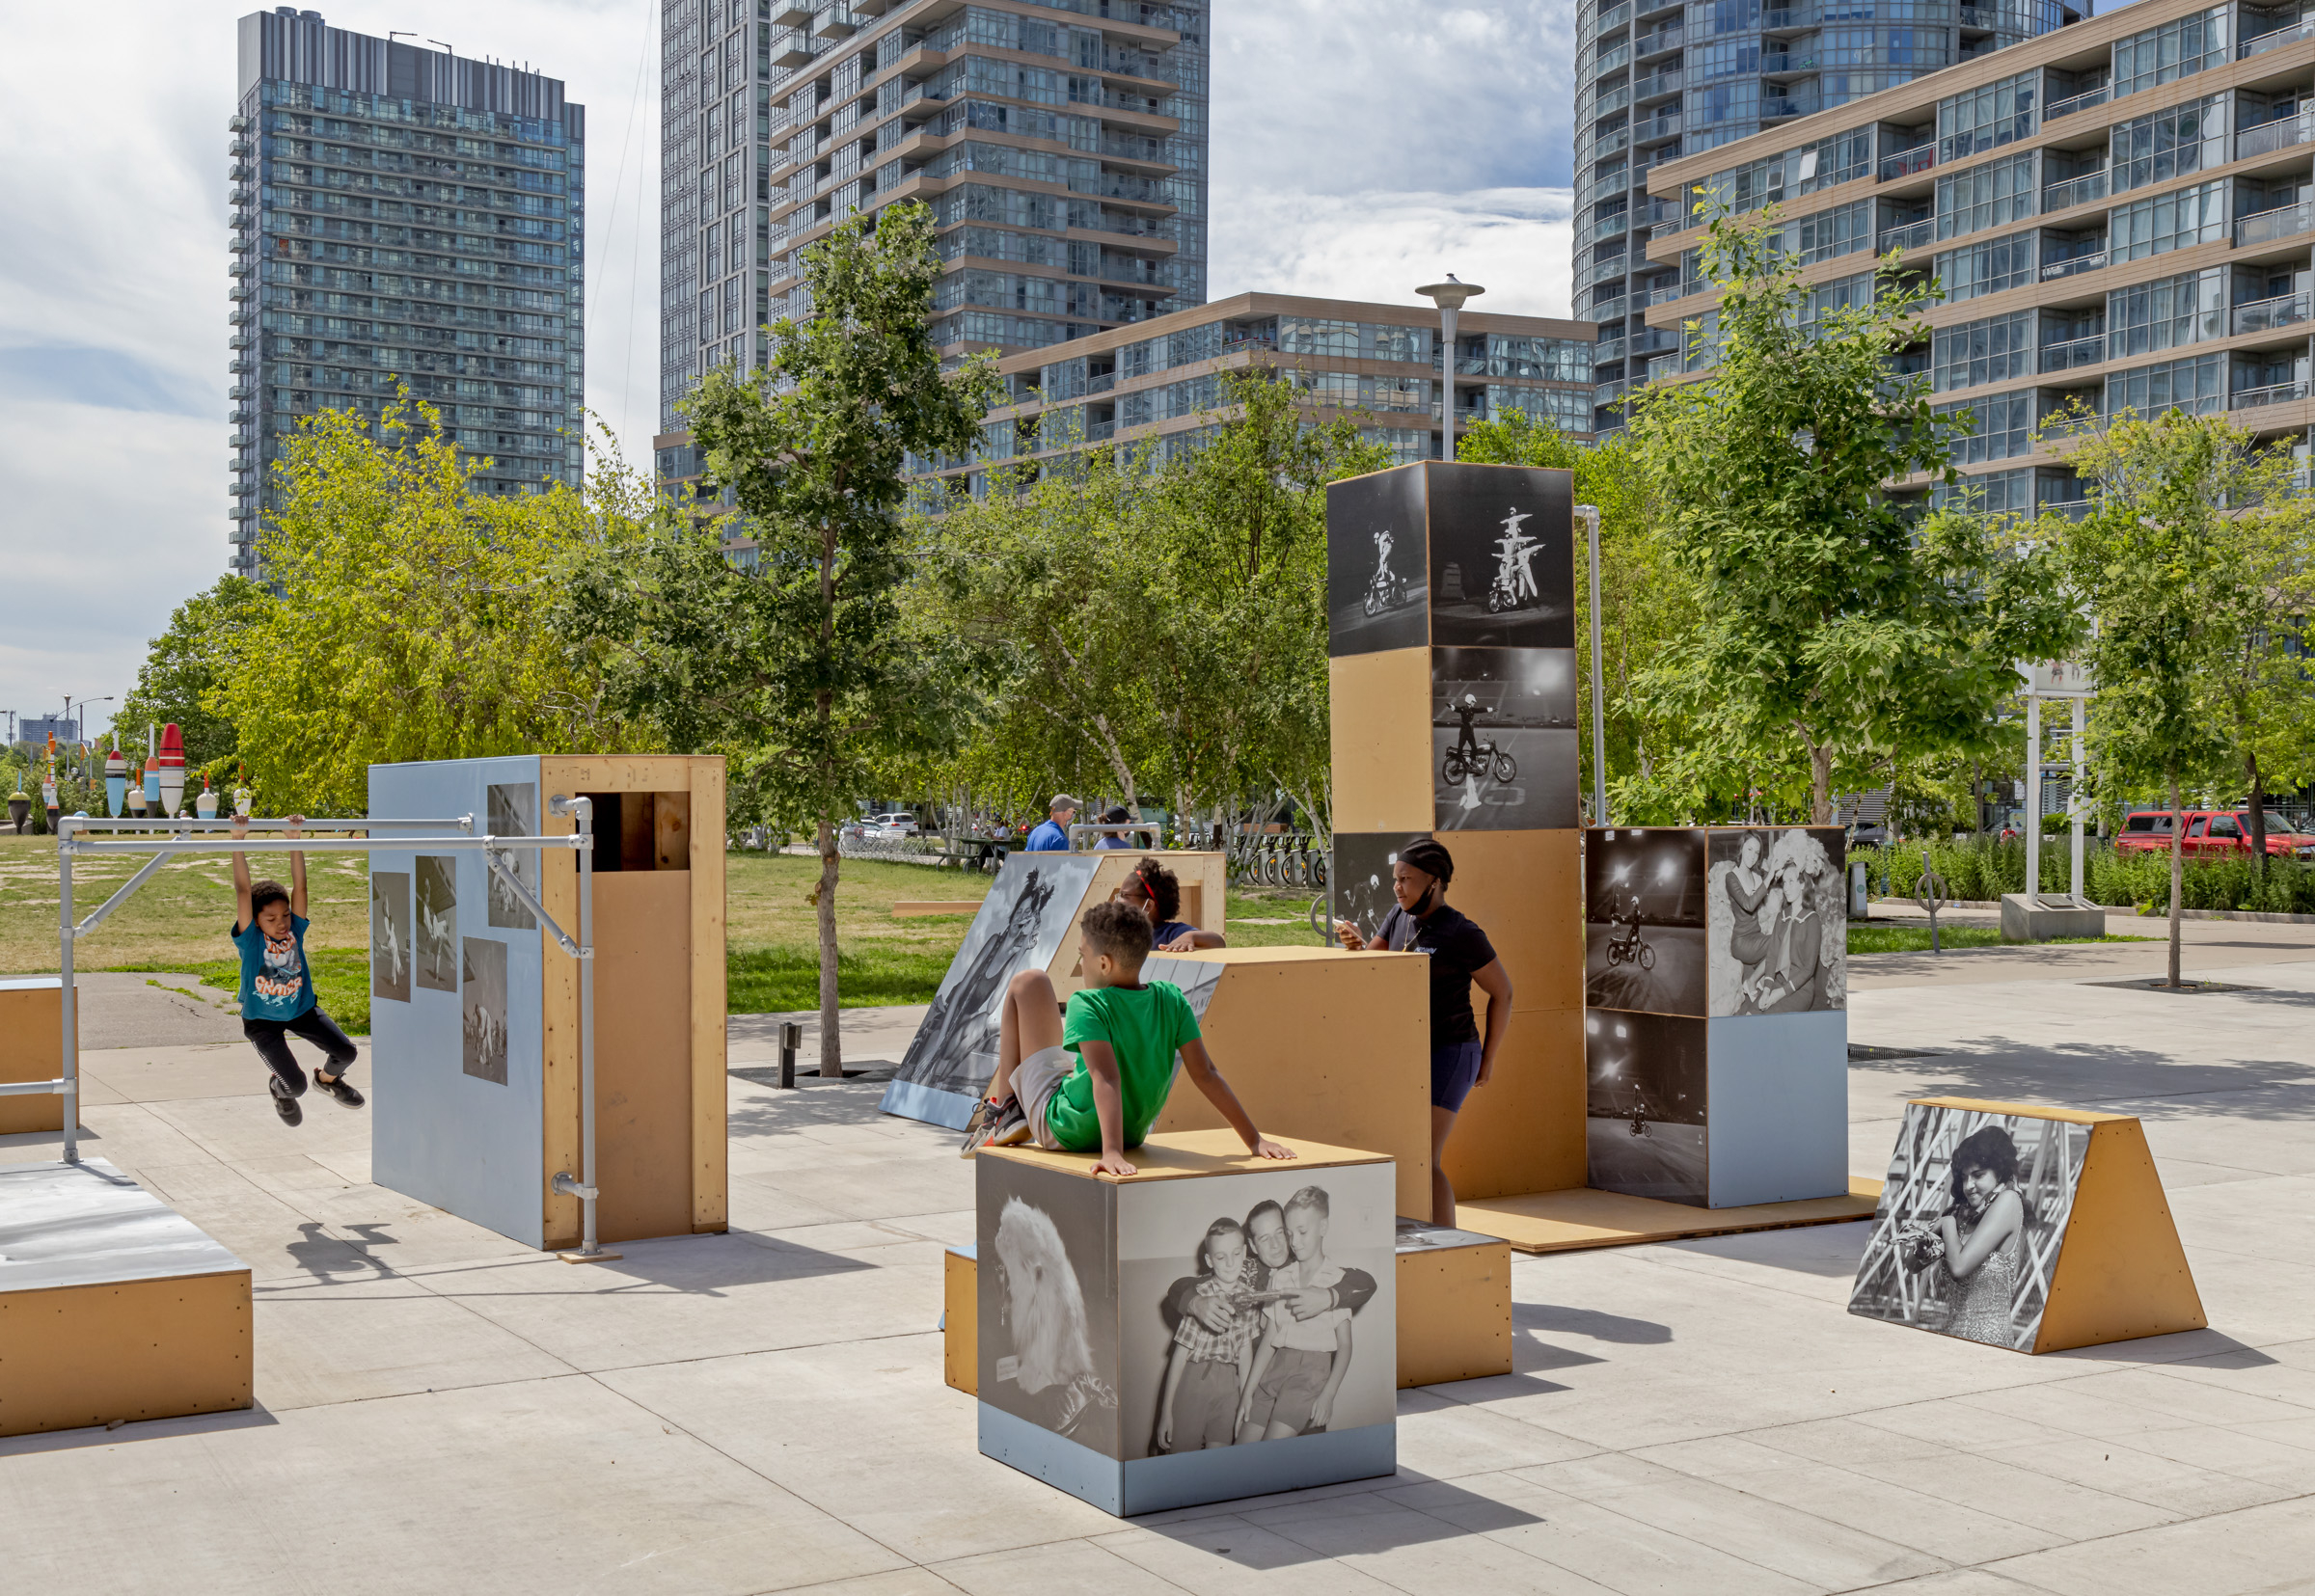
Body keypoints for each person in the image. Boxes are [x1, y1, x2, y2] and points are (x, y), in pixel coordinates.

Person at [959, 901, 1294, 1177]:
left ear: (1103, 963)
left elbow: (1105, 1077)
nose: (1081, 964)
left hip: (1063, 1128)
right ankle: (1012, 1109)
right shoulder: (1171, 999)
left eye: (1082, 955)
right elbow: (1205, 1072)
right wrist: (1254, 1140)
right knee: (1074, 1065)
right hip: (1131, 1133)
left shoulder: (1087, 1003)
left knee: (1027, 982)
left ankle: (1003, 1110)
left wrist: (1112, 1152)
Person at [1333, 837, 1512, 1226]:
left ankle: (1448, 1246)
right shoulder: (1397, 918)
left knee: (1424, 1157)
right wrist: (1354, 945)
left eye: (1406, 879)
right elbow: (1372, 970)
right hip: (1410, 1052)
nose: (1397, 887)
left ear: (1434, 882)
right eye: (1395, 878)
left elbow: (1503, 992)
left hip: (1452, 1051)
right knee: (1402, 1151)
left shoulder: (1461, 931)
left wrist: (1488, 1060)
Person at [231, 814, 363, 1127]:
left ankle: (328, 1081)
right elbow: (241, 890)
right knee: (296, 1086)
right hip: (262, 1022)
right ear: (257, 920)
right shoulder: (250, 939)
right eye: (271, 918)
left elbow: (301, 886)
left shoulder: (295, 932)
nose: (281, 923)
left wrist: (294, 840)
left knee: (346, 1053)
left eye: (285, 915)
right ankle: (279, 1090)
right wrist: (237, 841)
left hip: (302, 1011)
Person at [1160, 1197, 1376, 1341]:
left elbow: (1366, 1282)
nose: (1275, 1245)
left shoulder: (1306, 1266)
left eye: (1279, 1233)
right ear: (1252, 1246)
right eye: (1264, 1238)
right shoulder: (1243, 1269)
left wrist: (1330, 1296)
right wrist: (1196, 1303)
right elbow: (1179, 1287)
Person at [1237, 1185, 1352, 1442]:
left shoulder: (1336, 1280)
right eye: (1290, 1233)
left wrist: (1328, 1395)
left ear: (1323, 1228)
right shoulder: (1280, 1277)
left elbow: (1345, 1346)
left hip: (1310, 1372)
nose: (1294, 1242)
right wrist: (1248, 1392)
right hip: (1275, 1368)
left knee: (1268, 1453)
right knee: (1240, 1450)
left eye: (1301, 1232)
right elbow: (1270, 1338)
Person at [1903, 1124, 2027, 1347]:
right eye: (1963, 1177)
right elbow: (1912, 1267)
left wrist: (1947, 1223)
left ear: (1999, 1172)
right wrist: (1922, 1246)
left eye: (1978, 1175)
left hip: (1990, 1341)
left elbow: (1959, 1268)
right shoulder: (1961, 1213)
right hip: (1953, 1335)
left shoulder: (2009, 1200)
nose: (1969, 1186)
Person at [1156, 1217, 1256, 1453]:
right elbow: (1179, 1358)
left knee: (1218, 1462)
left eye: (1235, 1254)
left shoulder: (1250, 1297)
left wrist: (1245, 1398)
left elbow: (1245, 1354)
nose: (1230, 1263)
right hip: (1195, 1382)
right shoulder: (1200, 1298)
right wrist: (1165, 1413)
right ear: (1210, 1261)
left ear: (1244, 1252)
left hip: (1230, 1387)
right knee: (1182, 1460)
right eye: (1221, 1257)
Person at [1117, 857, 1224, 953]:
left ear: (1149, 905)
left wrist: (1190, 936)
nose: (1116, 901)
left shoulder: (1170, 933)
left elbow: (1218, 942)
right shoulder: (1121, 932)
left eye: (1124, 895)